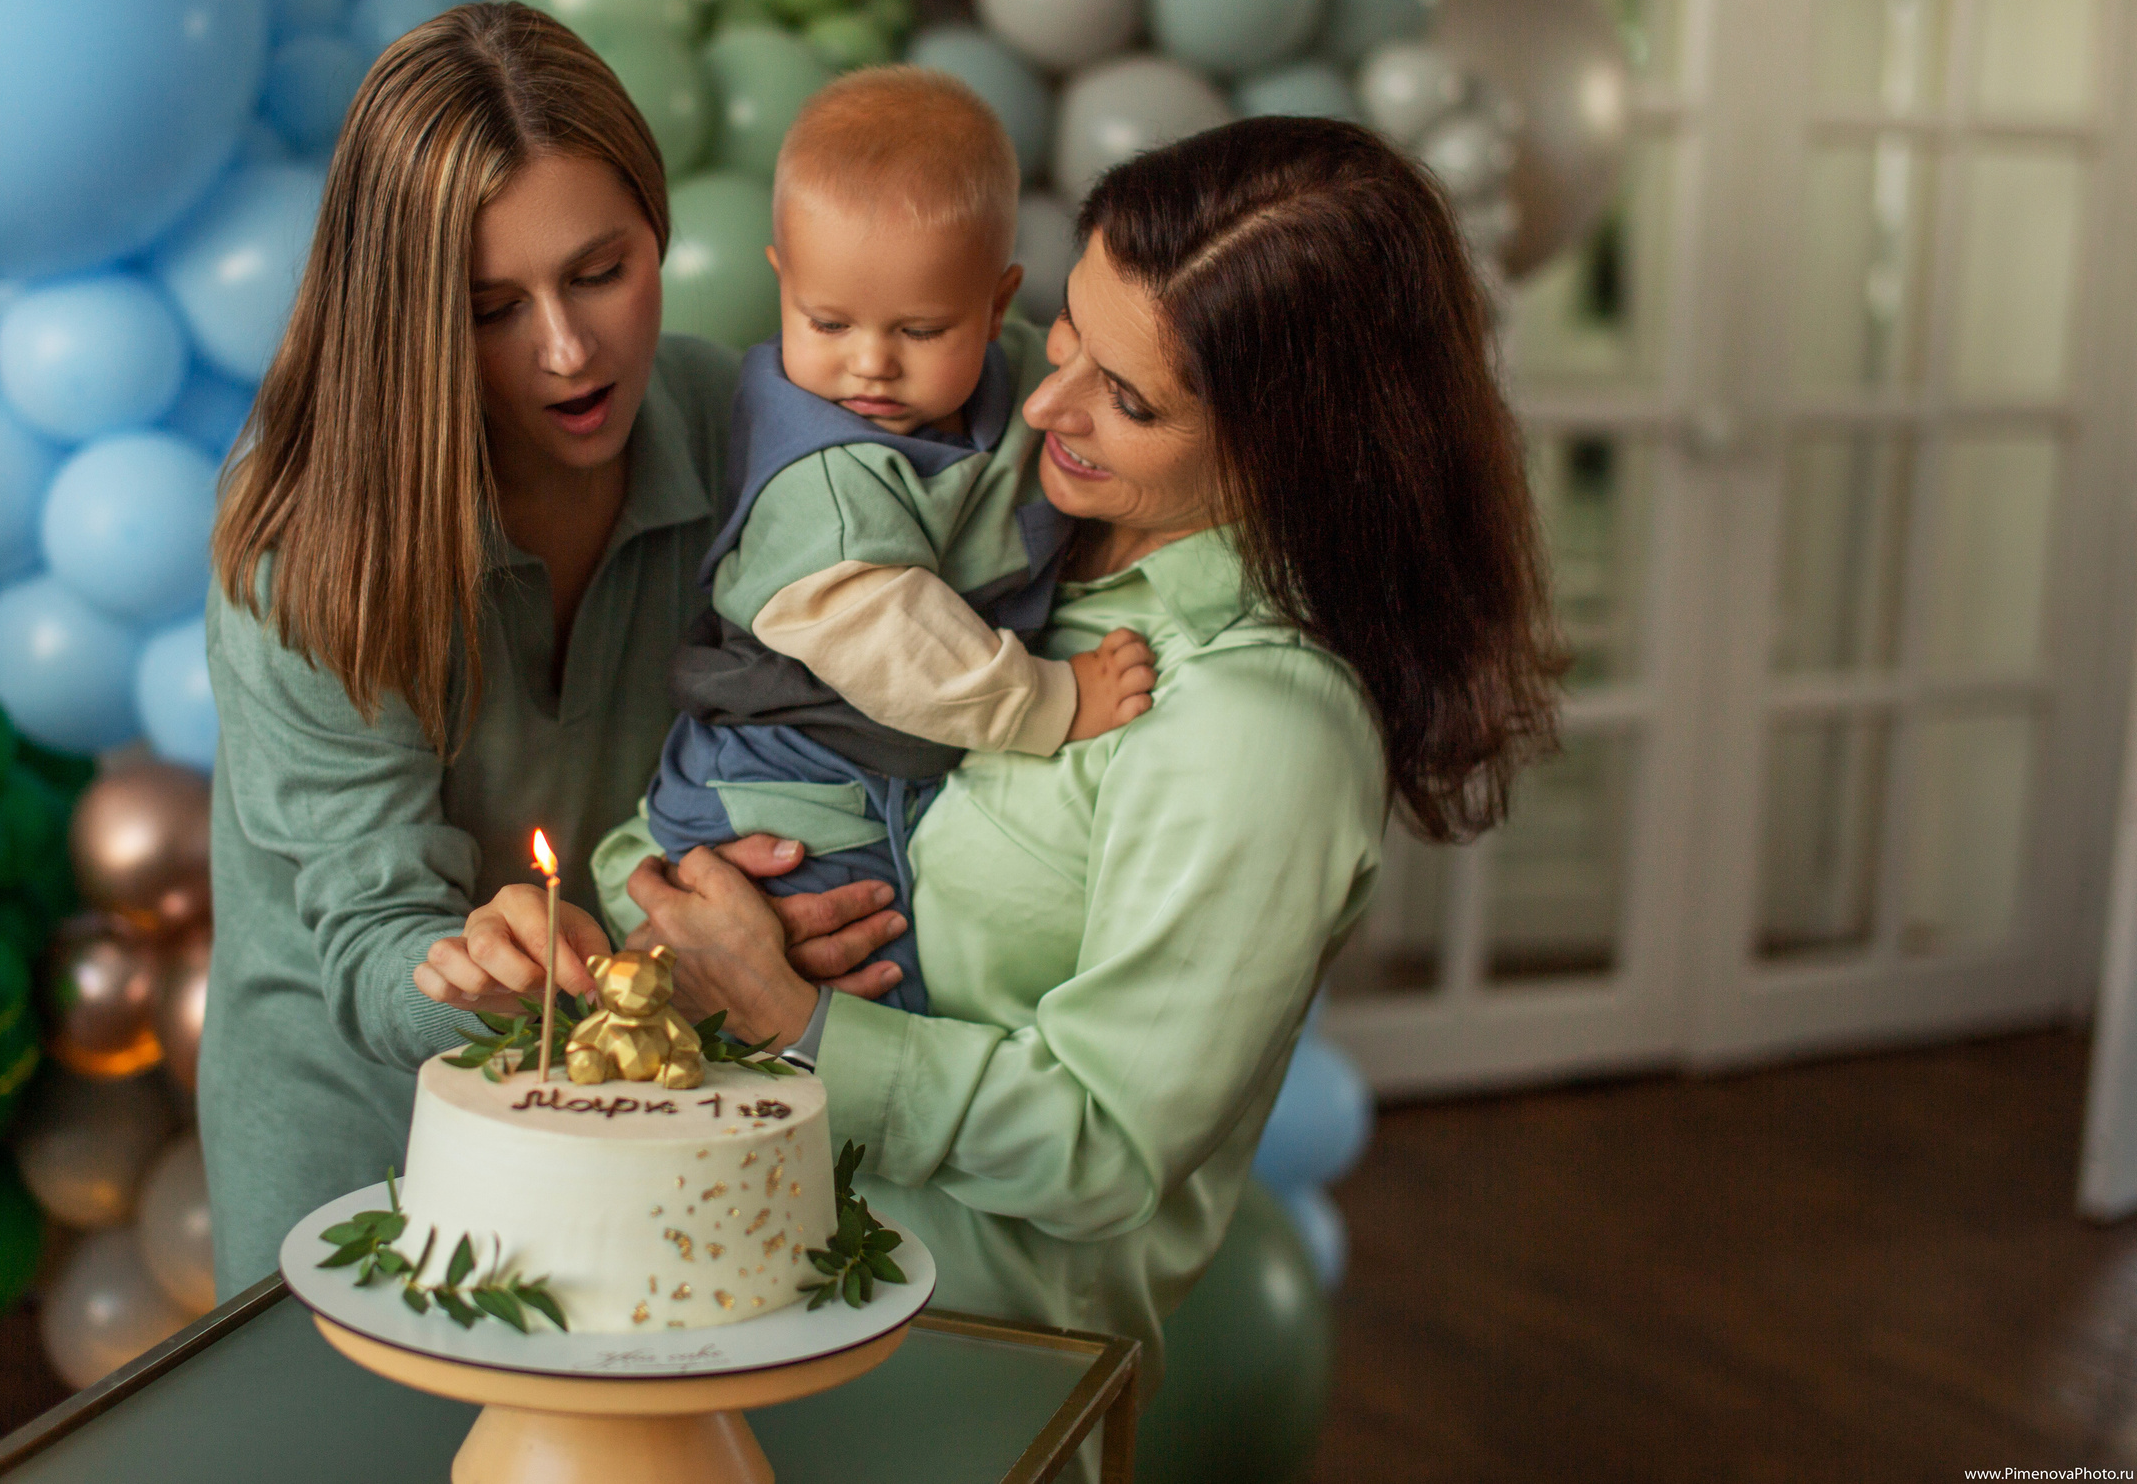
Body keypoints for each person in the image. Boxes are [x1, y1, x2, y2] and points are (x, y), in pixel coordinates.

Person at [426, 115, 1566, 1402]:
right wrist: (678, 920)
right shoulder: (1004, 518)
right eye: (1068, 336)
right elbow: (758, 759)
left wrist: (798, 1019)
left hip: (951, 1363)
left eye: (1125, 399)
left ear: (1288, 443)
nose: (1042, 402)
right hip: (730, 1274)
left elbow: (1106, 1150)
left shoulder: (1258, 728)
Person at [197, 3, 896, 1298]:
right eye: (489, 306)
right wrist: (484, 971)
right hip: (359, 1124)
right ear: (405, 314)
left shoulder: (757, 435)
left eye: (598, 270)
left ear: (660, 231)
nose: (568, 351)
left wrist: (782, 899)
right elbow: (369, 942)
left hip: (655, 1097)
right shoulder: (303, 537)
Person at [599, 67, 1158, 1017]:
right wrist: (1053, 699)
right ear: (783, 281)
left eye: (921, 328)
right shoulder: (823, 480)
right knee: (865, 972)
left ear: (997, 304)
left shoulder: (1015, 376)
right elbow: (905, 651)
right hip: (790, 793)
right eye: (827, 322)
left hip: (877, 765)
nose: (869, 362)